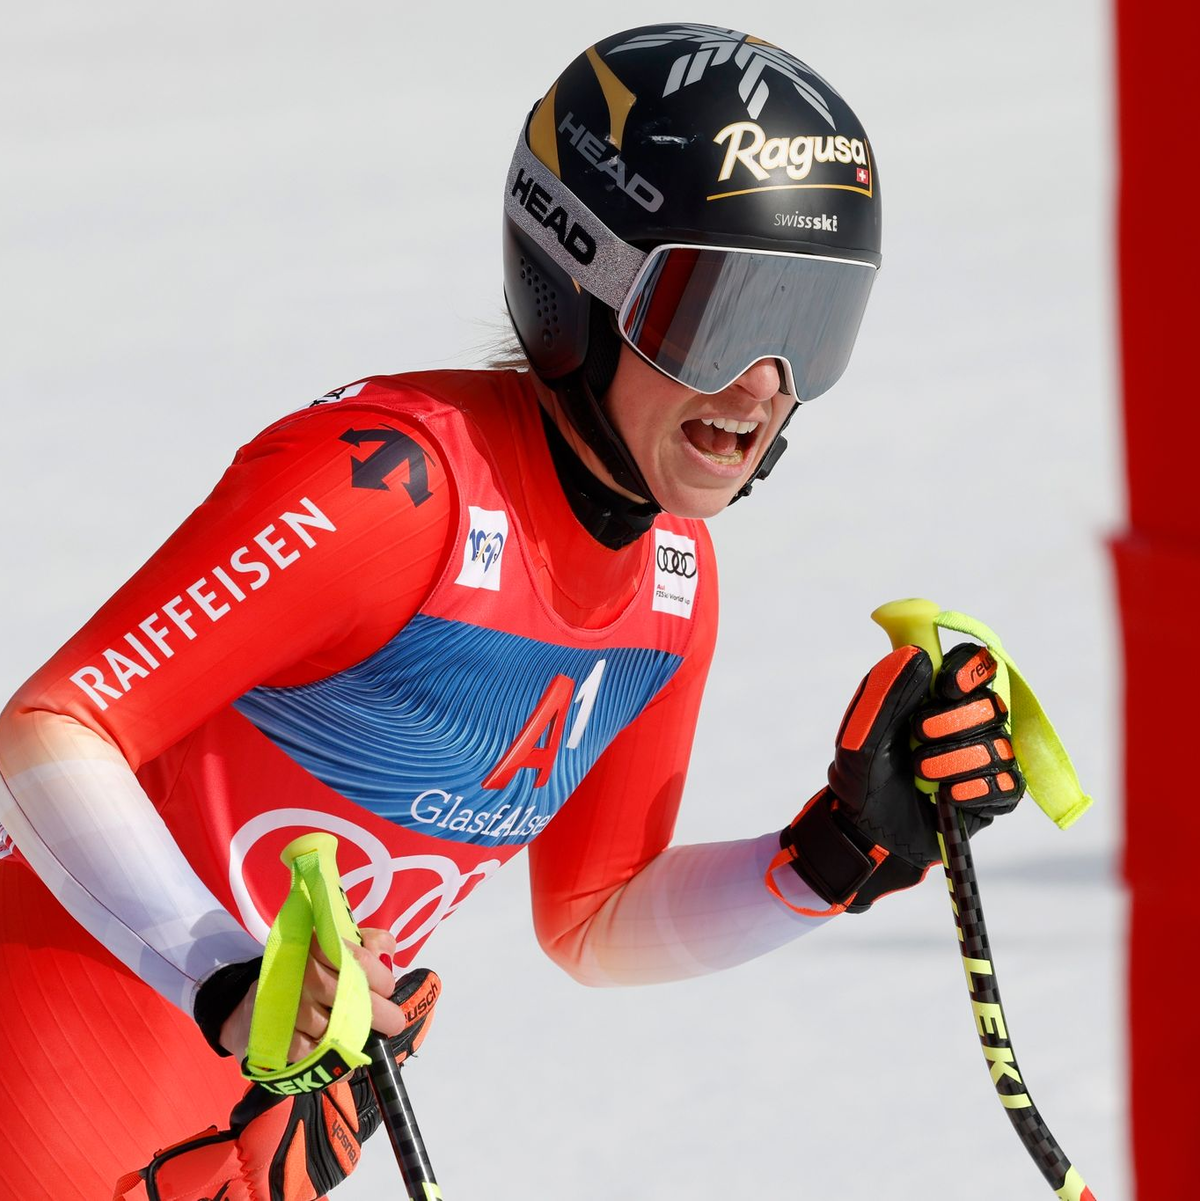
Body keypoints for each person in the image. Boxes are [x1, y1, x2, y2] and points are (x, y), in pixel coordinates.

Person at [0, 23, 1025, 1201]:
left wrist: (835, 855)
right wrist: (226, 979)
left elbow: (593, 921)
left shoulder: (671, 585)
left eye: (814, 329)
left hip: (208, 1123)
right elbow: (49, 731)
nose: (763, 388)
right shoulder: (389, 487)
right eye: (722, 314)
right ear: (576, 276)